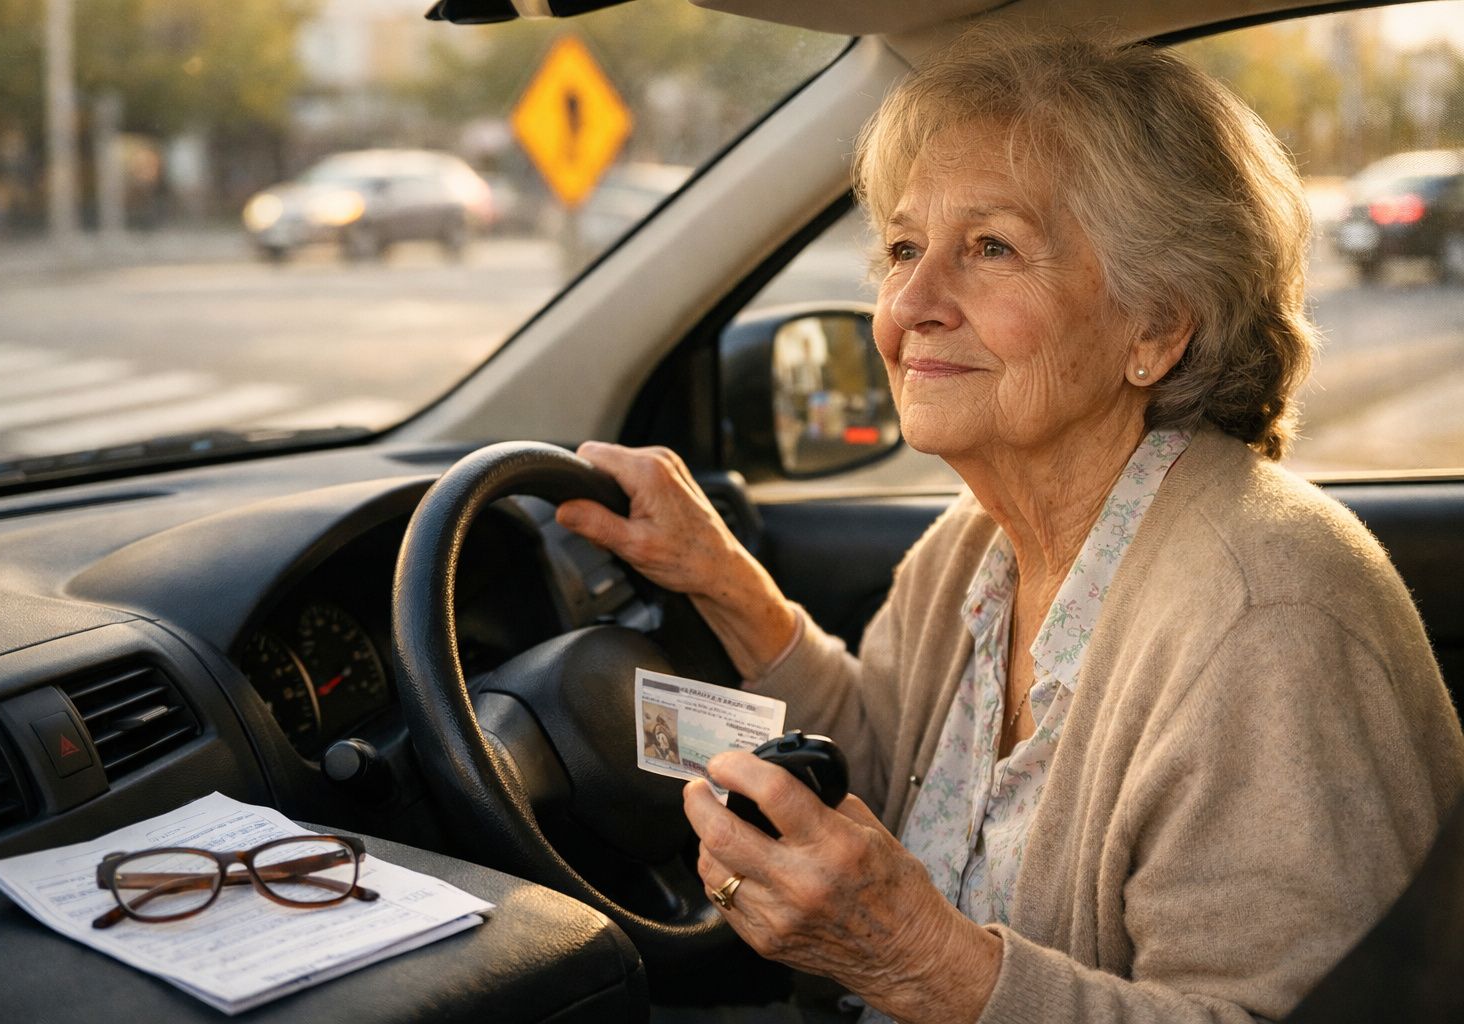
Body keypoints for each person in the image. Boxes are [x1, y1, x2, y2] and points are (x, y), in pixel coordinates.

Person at [555, 27, 1464, 1024]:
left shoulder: (1270, 619)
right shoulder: (975, 545)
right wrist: (726, 580)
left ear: (1155, 326)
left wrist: (924, 963)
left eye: (990, 247)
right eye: (903, 248)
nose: (909, 303)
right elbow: (891, 765)